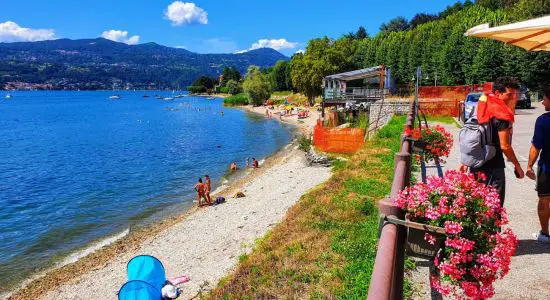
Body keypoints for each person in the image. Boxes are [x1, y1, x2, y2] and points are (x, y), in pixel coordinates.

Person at [460, 77, 524, 207]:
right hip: (493, 167)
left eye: (515, 94)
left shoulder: (481, 107)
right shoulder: (502, 116)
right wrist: (517, 166)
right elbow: (505, 146)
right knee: (494, 208)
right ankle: (491, 228)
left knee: (478, 205)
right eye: (509, 94)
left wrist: (465, 160)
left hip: (476, 164)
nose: (513, 98)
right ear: (497, 94)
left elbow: (472, 133)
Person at [526, 87, 550, 243]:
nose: (542, 102)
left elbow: (536, 147)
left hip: (547, 168)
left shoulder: (543, 120)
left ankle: (545, 234)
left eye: (545, 98)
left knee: (544, 199)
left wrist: (529, 166)